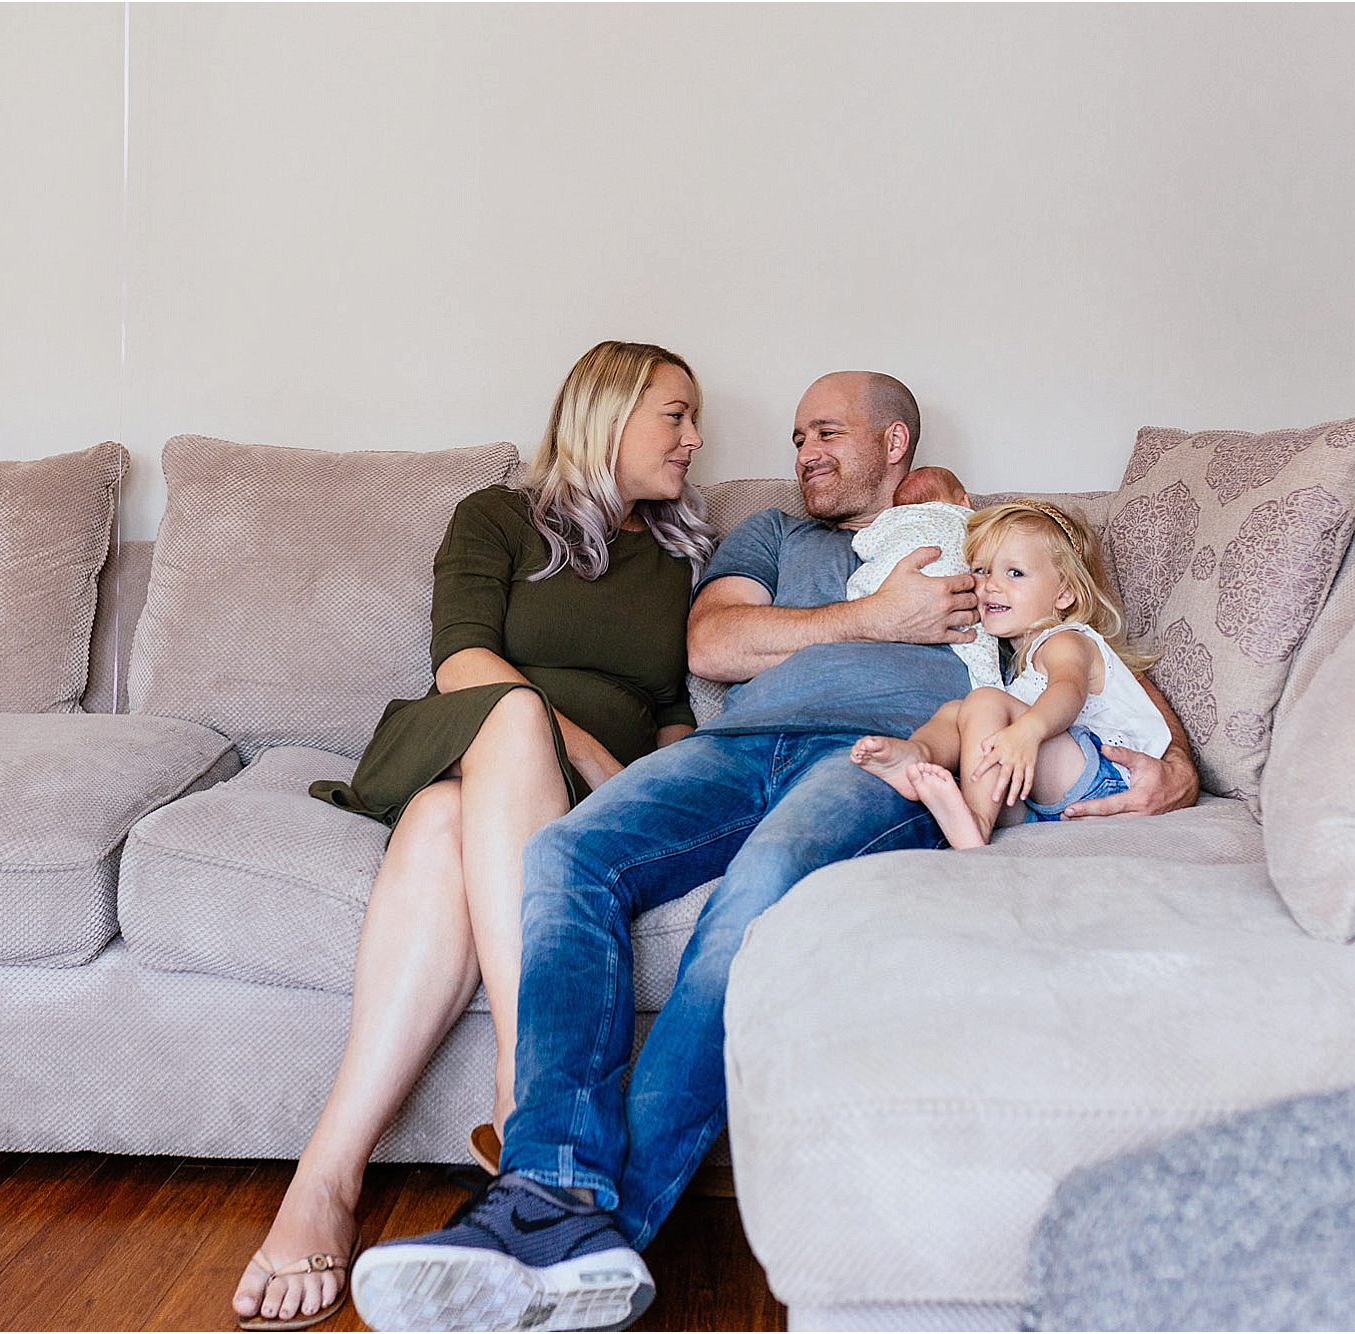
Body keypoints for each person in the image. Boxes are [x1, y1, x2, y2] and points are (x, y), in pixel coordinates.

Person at [349, 371, 1201, 1332]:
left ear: (894, 444)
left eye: (827, 432)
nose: (804, 454)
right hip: (737, 744)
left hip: (878, 751)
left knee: (755, 896)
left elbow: (1086, 651)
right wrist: (879, 617)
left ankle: (565, 1223)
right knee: (567, 855)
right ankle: (554, 1190)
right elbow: (711, 645)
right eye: (798, 437)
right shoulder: (771, 536)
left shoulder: (977, 540)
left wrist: (1175, 766)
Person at [230, 340, 716, 1331]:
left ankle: (326, 1177)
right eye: (675, 415)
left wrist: (661, 790)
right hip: (466, 734)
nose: (694, 439)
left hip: (557, 801)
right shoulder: (494, 515)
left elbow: (672, 708)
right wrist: (583, 749)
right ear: (608, 413)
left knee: (445, 824)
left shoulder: (678, 556)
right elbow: (461, 660)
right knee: (507, 720)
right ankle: (524, 1088)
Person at [852, 499, 1170, 847]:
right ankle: (918, 757)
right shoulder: (1018, 664)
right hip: (1051, 797)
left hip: (1108, 777)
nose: (991, 585)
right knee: (956, 712)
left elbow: (1068, 690)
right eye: (981, 570)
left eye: (1014, 573)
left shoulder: (1065, 639)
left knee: (985, 701)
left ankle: (976, 821)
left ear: (1064, 593)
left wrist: (1028, 731)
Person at [846, 464, 1003, 690]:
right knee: (974, 635)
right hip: (955, 587)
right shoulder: (971, 520)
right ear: (964, 501)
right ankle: (989, 684)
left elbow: (863, 545)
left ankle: (857, 603)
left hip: (888, 579)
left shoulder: (892, 518)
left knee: (861, 583)